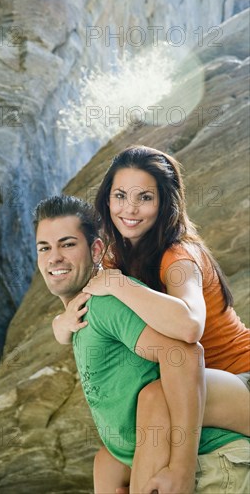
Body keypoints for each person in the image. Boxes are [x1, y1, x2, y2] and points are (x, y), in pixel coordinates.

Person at [34, 195, 249, 493]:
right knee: (105, 461)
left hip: (214, 460)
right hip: (172, 452)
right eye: (44, 248)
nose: (54, 257)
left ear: (96, 250)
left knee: (152, 399)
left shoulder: (110, 300)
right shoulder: (85, 310)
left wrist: (180, 470)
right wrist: (60, 324)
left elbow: (183, 351)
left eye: (68, 244)